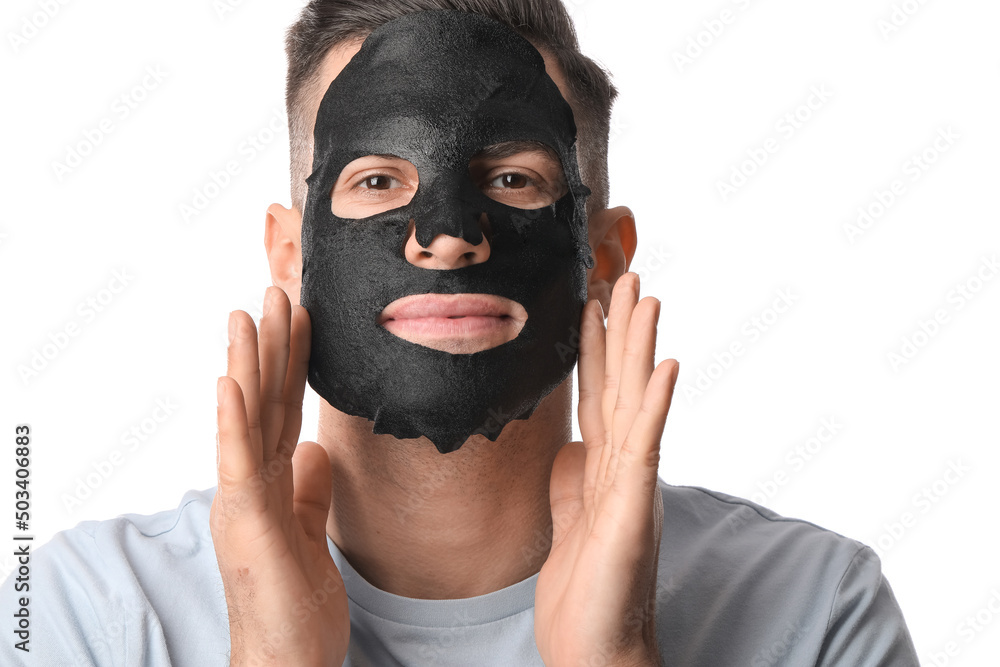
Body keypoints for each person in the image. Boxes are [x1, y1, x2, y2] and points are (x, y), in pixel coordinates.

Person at [0, 1, 919, 665]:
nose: (445, 237)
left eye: (514, 179)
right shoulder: (86, 614)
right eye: (376, 180)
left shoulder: (812, 610)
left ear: (600, 253)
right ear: (289, 251)